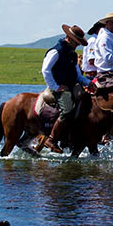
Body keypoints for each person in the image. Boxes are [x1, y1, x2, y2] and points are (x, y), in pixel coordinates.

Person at [39, 25, 90, 153]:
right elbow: (46, 70)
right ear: (69, 38)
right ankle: (51, 139)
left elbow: (78, 75)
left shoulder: (72, 54)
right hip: (59, 87)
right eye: (76, 42)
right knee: (67, 108)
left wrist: (89, 83)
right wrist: (55, 87)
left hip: (71, 85)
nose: (77, 45)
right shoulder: (56, 51)